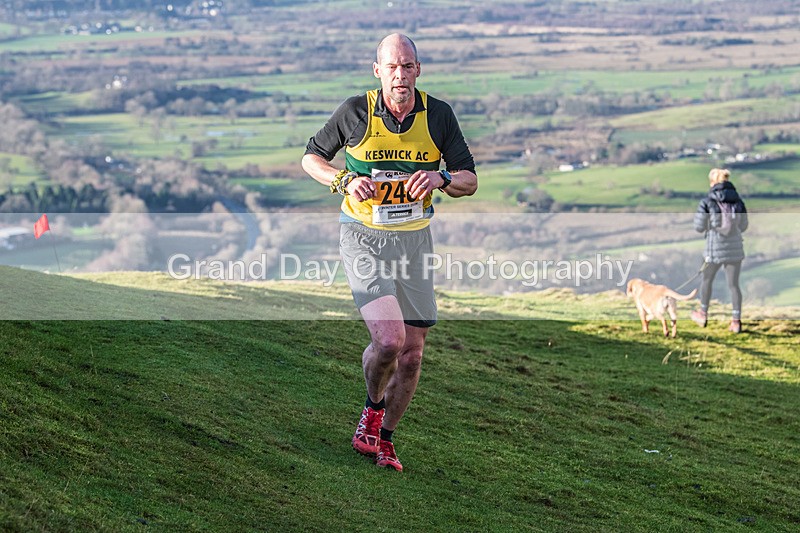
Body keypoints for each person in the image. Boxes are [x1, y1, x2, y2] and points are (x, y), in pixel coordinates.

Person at [301, 33, 477, 471]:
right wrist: (343, 180)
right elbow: (311, 158)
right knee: (389, 341)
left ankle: (384, 438)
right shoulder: (355, 112)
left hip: (414, 241)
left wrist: (440, 178)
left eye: (408, 66)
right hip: (363, 236)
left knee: (412, 354)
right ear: (378, 71)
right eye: (392, 67)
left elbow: (469, 179)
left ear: (418, 70)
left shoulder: (438, 115)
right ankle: (372, 410)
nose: (400, 75)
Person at [691, 168, 748, 333]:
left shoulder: (707, 202)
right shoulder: (738, 202)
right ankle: (736, 322)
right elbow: (744, 226)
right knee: (734, 285)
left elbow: (698, 227)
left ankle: (703, 314)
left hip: (713, 250)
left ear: (712, 182)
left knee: (707, 281)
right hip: (735, 250)